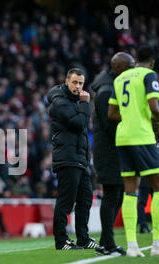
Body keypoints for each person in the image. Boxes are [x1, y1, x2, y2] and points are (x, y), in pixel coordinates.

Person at [108, 45, 159, 258]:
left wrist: (131, 116)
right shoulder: (149, 74)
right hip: (142, 137)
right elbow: (154, 106)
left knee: (130, 189)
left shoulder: (119, 79)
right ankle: (158, 245)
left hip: (122, 138)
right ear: (151, 62)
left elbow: (112, 113)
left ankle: (132, 247)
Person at [46, 68, 103, 250]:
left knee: (85, 199)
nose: (78, 86)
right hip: (67, 158)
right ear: (67, 81)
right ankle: (61, 241)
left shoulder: (74, 101)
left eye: (81, 83)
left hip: (80, 159)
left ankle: (83, 239)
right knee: (66, 201)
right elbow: (79, 124)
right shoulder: (60, 101)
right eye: (75, 82)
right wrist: (86, 104)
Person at [91, 53, 135, 256]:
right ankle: (106, 243)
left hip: (113, 148)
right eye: (129, 68)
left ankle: (106, 241)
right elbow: (109, 126)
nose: (132, 72)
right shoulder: (106, 91)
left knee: (116, 195)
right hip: (108, 150)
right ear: (118, 68)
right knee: (111, 195)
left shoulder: (111, 86)